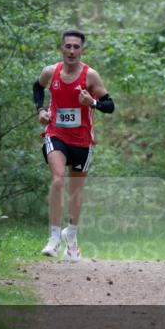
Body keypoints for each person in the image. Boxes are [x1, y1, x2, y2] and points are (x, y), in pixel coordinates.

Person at [32, 30, 115, 262]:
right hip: (55, 134)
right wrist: (40, 111)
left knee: (76, 190)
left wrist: (93, 102)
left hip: (82, 141)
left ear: (82, 50)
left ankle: (72, 236)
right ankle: (54, 237)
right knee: (58, 180)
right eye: (67, 46)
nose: (71, 51)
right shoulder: (51, 72)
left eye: (75, 47)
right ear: (61, 48)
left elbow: (110, 105)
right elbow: (37, 87)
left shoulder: (91, 76)